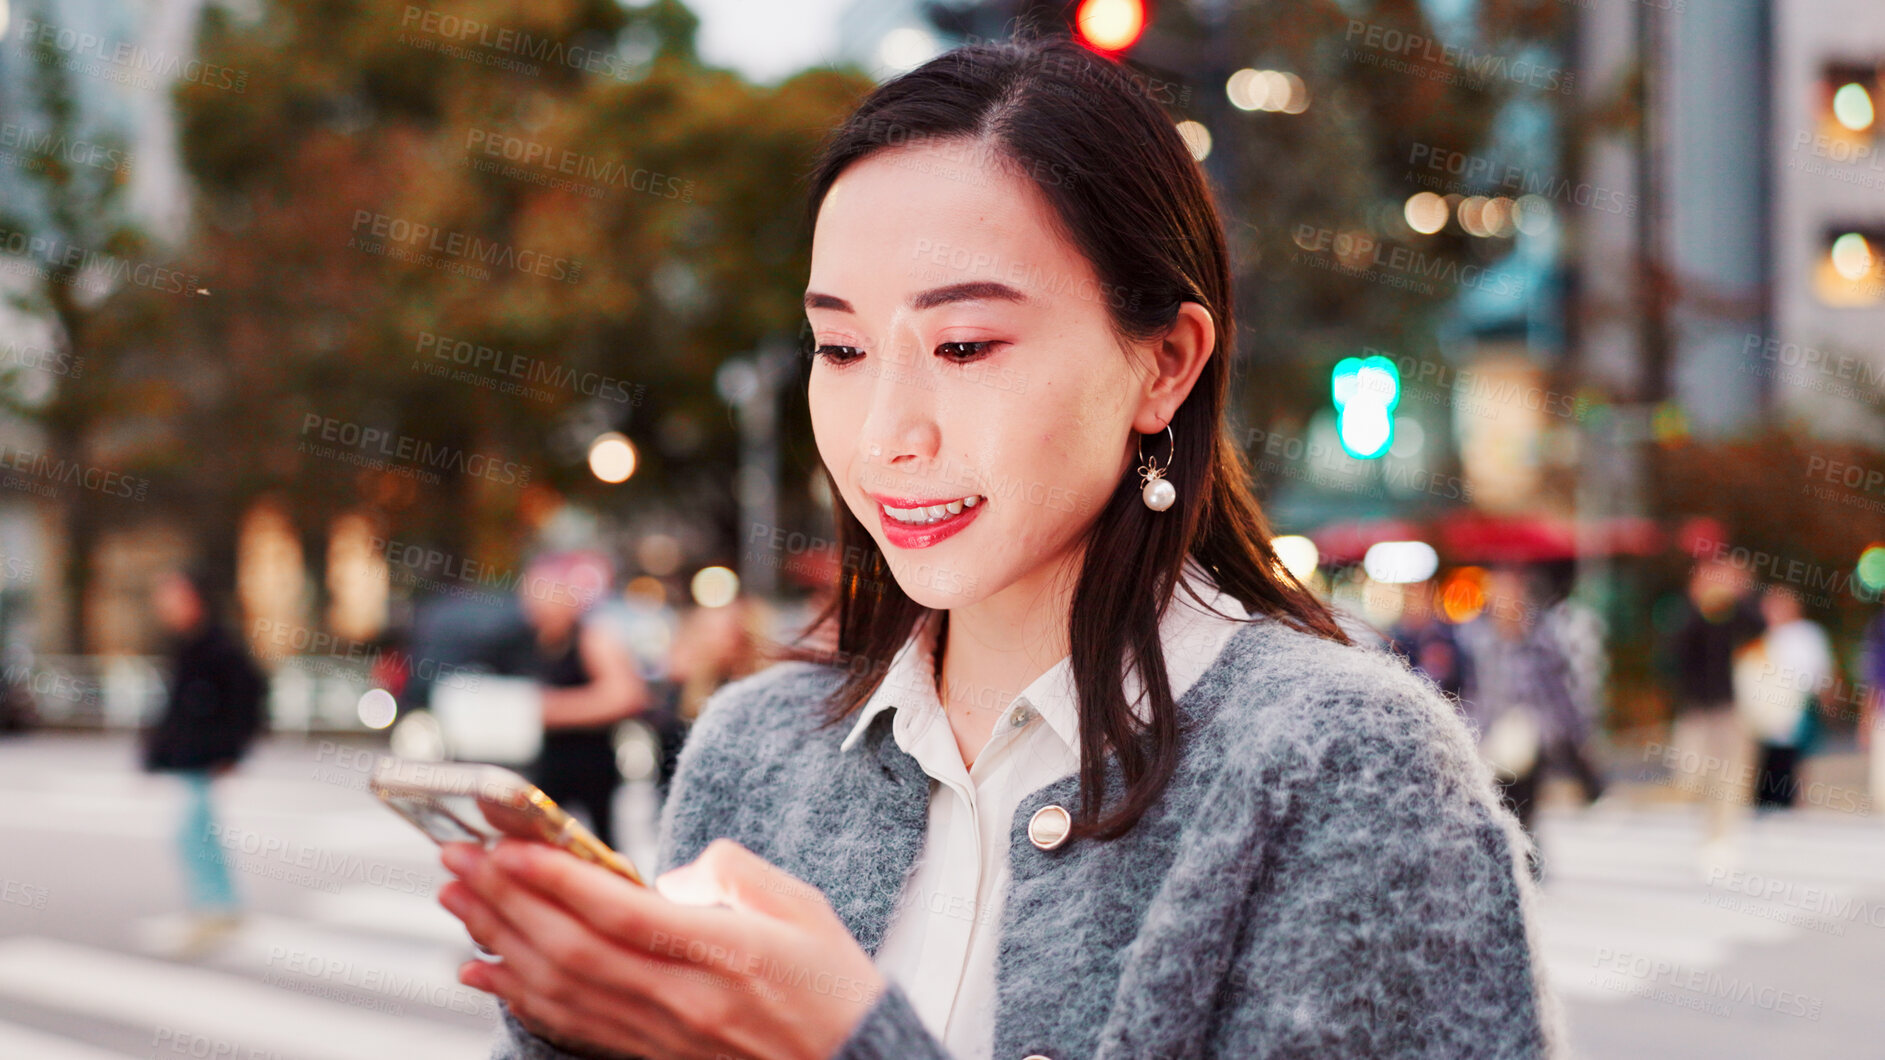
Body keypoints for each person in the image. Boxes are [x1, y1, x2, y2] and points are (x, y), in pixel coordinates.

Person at [439, 36, 1557, 1060]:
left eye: (964, 344)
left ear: (1164, 362)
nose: (886, 433)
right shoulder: (755, 749)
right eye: (840, 346)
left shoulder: (1342, 768)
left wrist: (842, 1041)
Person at [140, 567, 267, 957]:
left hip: (206, 758)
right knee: (199, 833)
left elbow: (249, 697)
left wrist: (232, 750)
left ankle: (217, 907)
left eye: (173, 597)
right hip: (192, 757)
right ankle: (218, 906)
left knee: (193, 834)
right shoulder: (188, 645)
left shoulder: (216, 645)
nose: (165, 606)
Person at [1456, 568, 1598, 840]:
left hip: (1533, 737)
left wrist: (1576, 733)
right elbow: (1466, 688)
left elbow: (1559, 690)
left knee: (1524, 810)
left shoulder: (1541, 638)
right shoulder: (1474, 637)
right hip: (1487, 736)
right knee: (1492, 809)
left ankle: (1526, 861)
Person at [521, 551, 650, 849]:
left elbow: (628, 695)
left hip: (591, 763)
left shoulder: (592, 638)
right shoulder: (535, 641)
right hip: (549, 760)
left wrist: (554, 710)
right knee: (540, 838)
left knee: (601, 844)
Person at [1666, 556, 1765, 850]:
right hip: (1695, 709)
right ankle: (1707, 821)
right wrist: (1696, 600)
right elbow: (1675, 651)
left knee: (1729, 774)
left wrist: (1739, 592)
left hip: (1728, 707)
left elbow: (1758, 626)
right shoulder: (1688, 613)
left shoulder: (1732, 613)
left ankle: (1721, 832)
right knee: (1690, 777)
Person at [1732, 585, 1833, 810]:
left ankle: (1785, 808)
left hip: (1796, 711)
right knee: (1764, 767)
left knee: (1787, 765)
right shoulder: (1763, 636)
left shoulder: (1806, 634)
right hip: (1763, 716)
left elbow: (1819, 674)